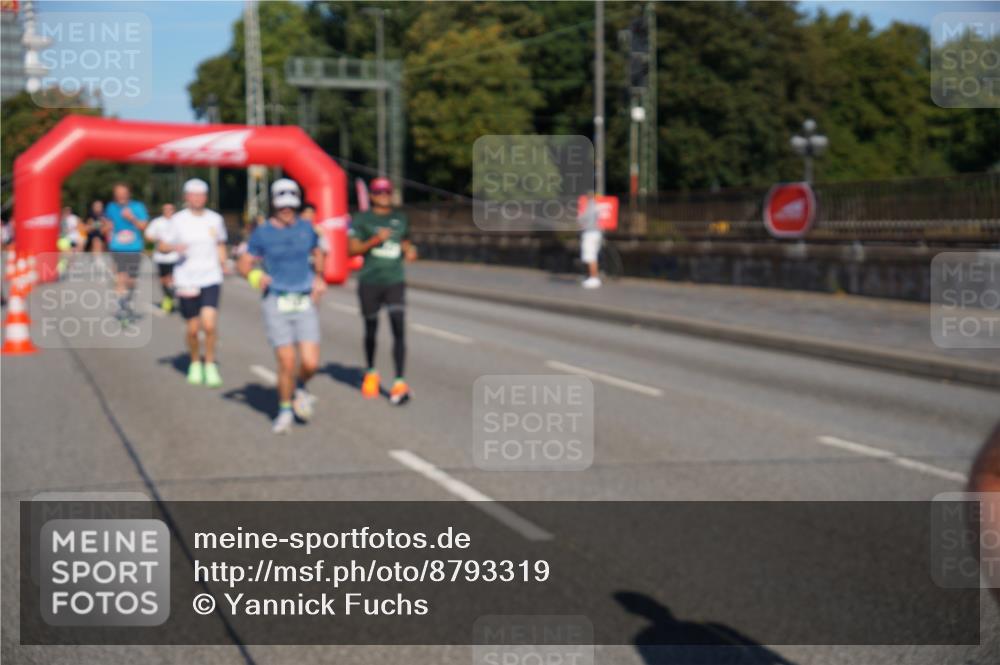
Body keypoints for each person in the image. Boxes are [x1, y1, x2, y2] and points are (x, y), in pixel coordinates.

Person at [238, 179, 327, 434]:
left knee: (310, 363)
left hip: (304, 300)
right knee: (287, 361)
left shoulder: (307, 229)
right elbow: (243, 263)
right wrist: (256, 277)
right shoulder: (262, 233)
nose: (287, 211)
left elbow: (319, 251)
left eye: (290, 206)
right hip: (276, 300)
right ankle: (285, 409)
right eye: (282, 207)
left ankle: (300, 387)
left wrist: (319, 278)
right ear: (275, 206)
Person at [348, 176, 416, 405]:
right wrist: (376, 239)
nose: (384, 195)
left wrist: (410, 250)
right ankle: (371, 372)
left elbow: (405, 242)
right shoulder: (362, 219)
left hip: (394, 280)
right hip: (370, 280)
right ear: (372, 195)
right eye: (379, 192)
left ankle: (399, 380)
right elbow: (351, 249)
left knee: (398, 326)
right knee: (371, 329)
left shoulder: (400, 218)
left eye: (387, 191)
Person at [157, 179, 227, 388]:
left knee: (210, 324)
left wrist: (223, 262)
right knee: (193, 330)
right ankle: (195, 361)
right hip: (186, 279)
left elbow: (220, 244)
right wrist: (172, 247)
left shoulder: (215, 219)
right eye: (193, 194)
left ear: (206, 197)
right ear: (187, 197)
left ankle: (210, 363)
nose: (197, 198)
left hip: (210, 277)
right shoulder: (177, 220)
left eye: (201, 194)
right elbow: (161, 245)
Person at [105, 183, 149, 322]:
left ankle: (127, 301)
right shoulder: (111, 207)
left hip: (134, 248)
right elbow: (107, 224)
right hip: (117, 248)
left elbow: (144, 226)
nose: (121, 196)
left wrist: (132, 218)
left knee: (131, 280)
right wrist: (106, 227)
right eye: (118, 193)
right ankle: (123, 307)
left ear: (129, 193)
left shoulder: (138, 207)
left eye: (123, 193)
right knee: (121, 278)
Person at [144, 202, 179, 313]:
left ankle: (172, 297)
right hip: (160, 256)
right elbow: (148, 235)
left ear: (174, 210)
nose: (168, 211)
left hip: (175, 256)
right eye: (166, 209)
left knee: (172, 279)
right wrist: (158, 242)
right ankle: (168, 298)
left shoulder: (180, 221)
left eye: (171, 209)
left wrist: (173, 246)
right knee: (163, 279)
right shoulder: (157, 222)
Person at [579, 191, 602, 289]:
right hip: (595, 233)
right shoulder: (596, 205)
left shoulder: (590, 206)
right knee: (592, 256)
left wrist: (579, 219)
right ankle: (592, 277)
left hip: (590, 234)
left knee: (590, 256)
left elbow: (583, 219)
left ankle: (594, 278)